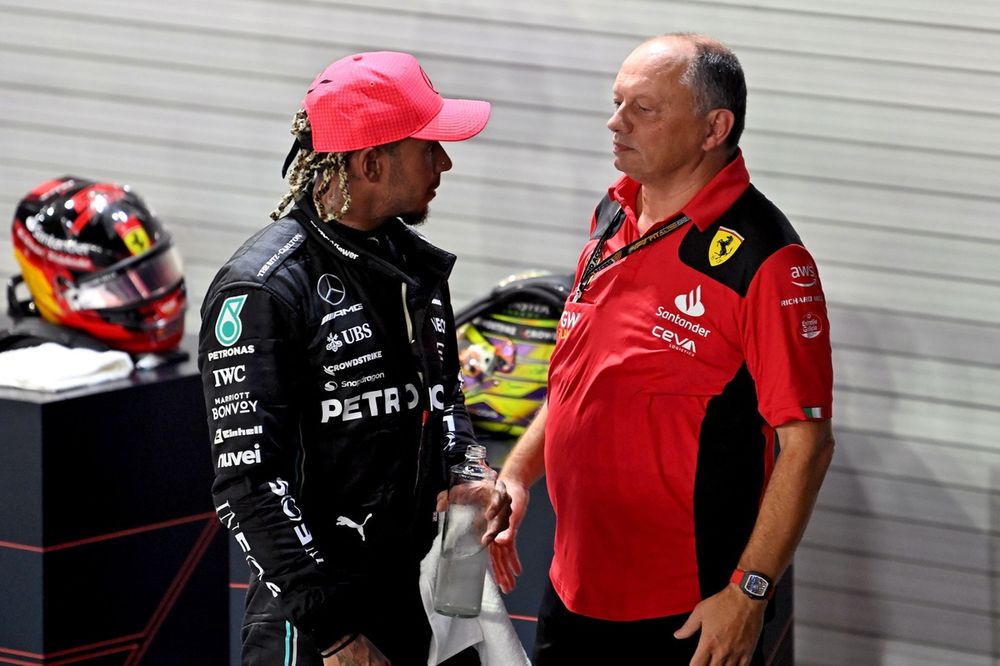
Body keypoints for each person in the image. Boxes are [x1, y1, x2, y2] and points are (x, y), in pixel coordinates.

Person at [490, 33, 835, 665]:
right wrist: (517, 473)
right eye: (617, 102)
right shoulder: (612, 212)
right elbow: (584, 375)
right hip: (572, 590)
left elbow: (807, 445)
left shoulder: (767, 259)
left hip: (689, 612)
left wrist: (749, 593)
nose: (615, 123)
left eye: (643, 109)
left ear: (713, 129)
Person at [198, 51, 511, 666]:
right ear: (371, 163)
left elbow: (443, 396)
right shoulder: (263, 288)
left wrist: (468, 468)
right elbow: (247, 484)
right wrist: (336, 635)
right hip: (315, 625)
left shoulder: (413, 265)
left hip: (419, 598)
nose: (444, 163)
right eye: (429, 147)